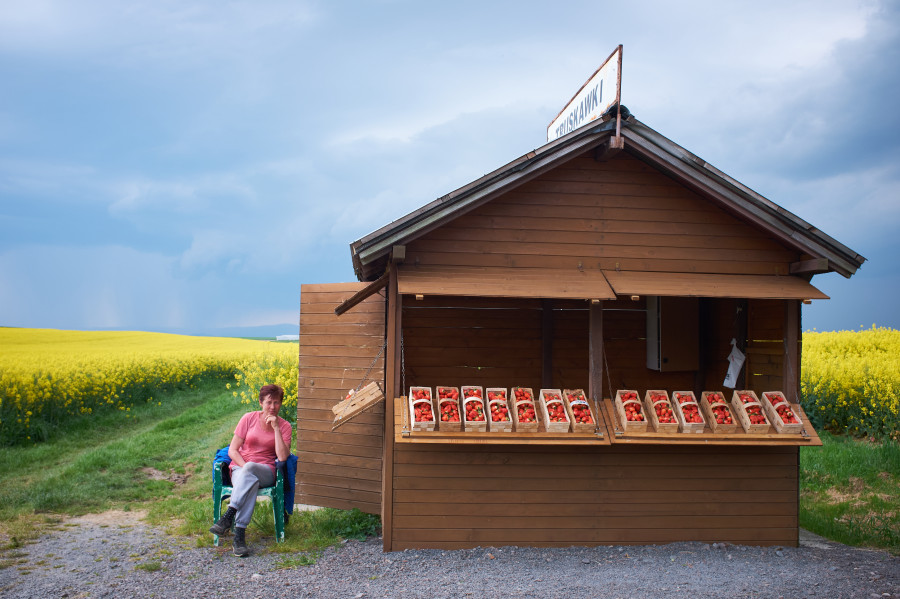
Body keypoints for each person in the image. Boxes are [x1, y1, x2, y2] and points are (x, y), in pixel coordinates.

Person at [209, 383, 292, 557]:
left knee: (252, 470)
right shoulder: (248, 419)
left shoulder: (284, 426)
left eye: (276, 403)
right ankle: (239, 537)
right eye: (269, 402)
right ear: (261, 402)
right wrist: (244, 466)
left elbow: (283, 457)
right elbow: (232, 450)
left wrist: (276, 428)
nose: (272, 407)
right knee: (250, 478)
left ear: (281, 404)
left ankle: (229, 514)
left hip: (266, 471)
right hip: (241, 468)